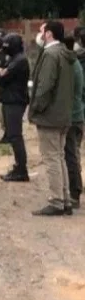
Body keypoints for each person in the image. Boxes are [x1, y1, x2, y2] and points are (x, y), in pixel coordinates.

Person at [28, 21, 77, 216]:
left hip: (50, 115)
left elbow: (45, 86)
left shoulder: (50, 55)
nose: (39, 35)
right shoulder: (65, 54)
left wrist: (36, 108)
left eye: (42, 31)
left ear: (48, 34)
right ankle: (65, 199)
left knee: (51, 158)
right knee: (59, 157)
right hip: (63, 114)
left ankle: (57, 201)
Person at [0, 33, 30, 182]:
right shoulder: (15, 59)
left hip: (15, 102)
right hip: (11, 100)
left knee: (15, 136)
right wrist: (0, 73)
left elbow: (3, 77)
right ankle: (19, 167)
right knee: (13, 136)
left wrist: (0, 73)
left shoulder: (19, 60)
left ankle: (21, 170)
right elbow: (0, 75)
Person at [66, 28, 85, 208]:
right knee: (74, 152)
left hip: (74, 115)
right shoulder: (76, 63)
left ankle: (75, 191)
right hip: (78, 113)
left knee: (71, 154)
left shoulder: (74, 64)